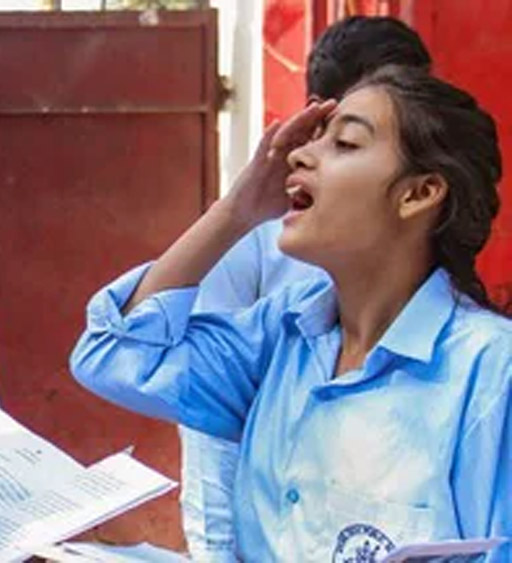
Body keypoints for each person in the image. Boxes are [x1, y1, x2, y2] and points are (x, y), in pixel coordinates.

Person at [71, 65, 511, 561]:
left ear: (418, 194)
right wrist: (236, 211)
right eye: (315, 139)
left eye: (345, 143)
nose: (299, 155)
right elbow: (114, 353)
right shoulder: (283, 335)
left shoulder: (491, 372)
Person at [181, 16, 433, 561]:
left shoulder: (430, 246)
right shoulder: (255, 244)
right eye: (354, 136)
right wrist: (217, 552)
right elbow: (204, 423)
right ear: (318, 118)